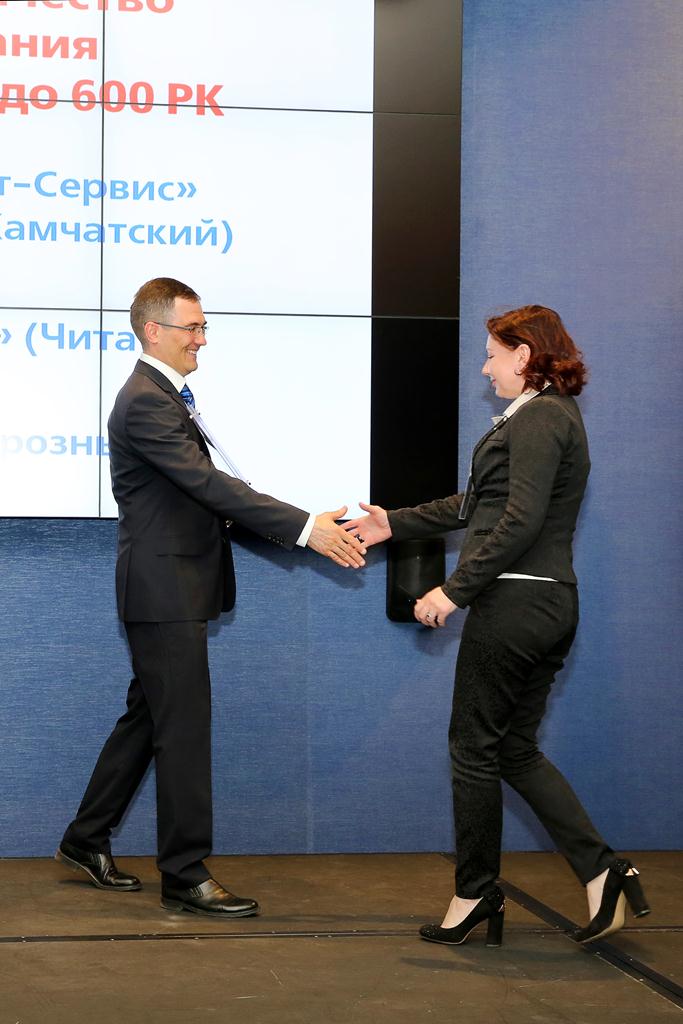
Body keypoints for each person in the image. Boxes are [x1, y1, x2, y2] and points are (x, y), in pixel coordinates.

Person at [56, 277, 366, 918]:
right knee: (184, 730)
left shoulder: (164, 397)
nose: (202, 339)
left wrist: (304, 524)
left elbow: (207, 494)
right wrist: (304, 528)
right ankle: (184, 873)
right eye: (192, 328)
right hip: (163, 590)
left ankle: (85, 840)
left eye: (203, 328)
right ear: (154, 331)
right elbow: (209, 485)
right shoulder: (146, 401)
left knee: (151, 718)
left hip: (169, 587)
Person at [344, 305, 650, 946]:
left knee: (473, 749)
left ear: (523, 354)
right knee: (512, 750)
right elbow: (479, 504)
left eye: (492, 355)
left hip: (515, 605)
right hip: (546, 605)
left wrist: (453, 591)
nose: (485, 369)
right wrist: (392, 523)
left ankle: (476, 892)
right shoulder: (548, 415)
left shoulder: (539, 418)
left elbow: (519, 521)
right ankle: (603, 873)